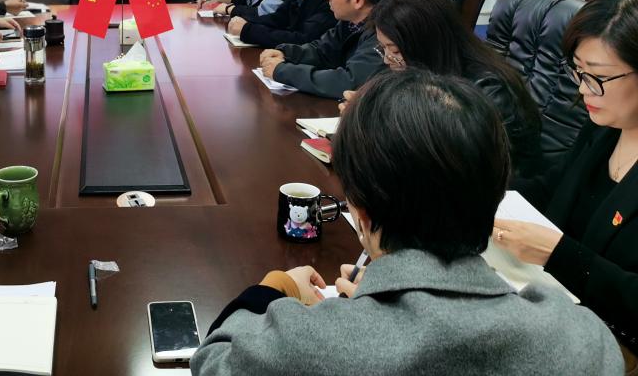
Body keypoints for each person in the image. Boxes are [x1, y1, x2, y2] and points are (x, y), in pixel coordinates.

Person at [191, 69, 623, 376]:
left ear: (361, 213)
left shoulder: (310, 343)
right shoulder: (583, 341)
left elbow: (212, 360)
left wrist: (276, 287)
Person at [497, 0, 638, 351]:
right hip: (556, 309)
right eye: (578, 72)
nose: (583, 90)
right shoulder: (604, 127)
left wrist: (559, 254)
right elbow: (552, 186)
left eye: (597, 77)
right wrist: (481, 194)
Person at [361, 0, 542, 176]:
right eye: (383, 48)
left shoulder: (488, 89)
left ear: (424, 44)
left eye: (394, 50)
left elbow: (485, 170)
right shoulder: (424, 69)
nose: (387, 59)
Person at [259, 0, 387, 99]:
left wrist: (283, 71)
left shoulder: (384, 32)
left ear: (357, 0)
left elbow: (348, 81)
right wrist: (286, 54)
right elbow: (323, 50)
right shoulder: (351, 21)